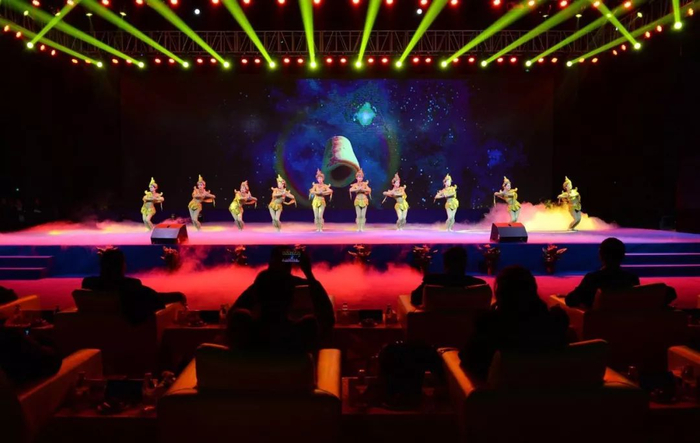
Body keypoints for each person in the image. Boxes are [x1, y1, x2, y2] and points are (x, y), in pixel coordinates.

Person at [459, 266, 569, 380]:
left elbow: (467, 358)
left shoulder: (490, 325)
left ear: (500, 292)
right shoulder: (554, 322)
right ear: (533, 289)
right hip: (547, 388)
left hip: (501, 390)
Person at [230, 247, 335, 351]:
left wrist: (270, 275)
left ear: (256, 295)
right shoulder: (303, 332)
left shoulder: (246, 333)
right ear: (291, 298)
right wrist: (309, 274)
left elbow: (233, 314)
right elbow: (328, 319)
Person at [82, 248, 186, 324]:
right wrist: (178, 295)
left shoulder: (88, 283)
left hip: (97, 330)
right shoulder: (130, 286)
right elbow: (154, 298)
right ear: (122, 266)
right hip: (127, 332)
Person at [565, 237, 645, 308]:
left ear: (601, 255)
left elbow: (570, 300)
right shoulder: (632, 278)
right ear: (623, 256)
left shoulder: (592, 278)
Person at [410, 246, 486, 306]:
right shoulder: (479, 284)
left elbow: (415, 299)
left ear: (445, 263)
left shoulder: (431, 280)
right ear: (465, 263)